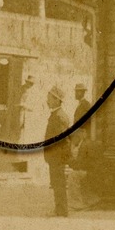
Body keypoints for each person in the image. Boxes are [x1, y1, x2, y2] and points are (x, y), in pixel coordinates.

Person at [44, 86, 71, 218]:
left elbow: (62, 141)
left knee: (58, 184)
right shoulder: (57, 115)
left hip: (57, 157)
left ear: (56, 100)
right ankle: (59, 210)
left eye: (49, 98)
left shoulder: (59, 117)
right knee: (56, 184)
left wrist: (59, 158)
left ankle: (61, 211)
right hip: (54, 157)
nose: (47, 101)